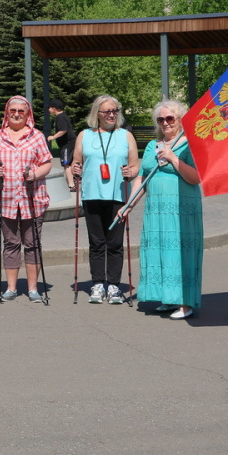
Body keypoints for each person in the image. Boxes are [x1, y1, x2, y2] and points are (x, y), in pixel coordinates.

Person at [122, 100, 202, 320]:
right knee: (160, 252)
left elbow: (195, 177)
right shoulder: (152, 146)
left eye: (170, 118)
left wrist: (173, 158)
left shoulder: (189, 144)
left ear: (180, 120)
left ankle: (185, 303)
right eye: (161, 119)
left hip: (181, 210)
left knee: (179, 254)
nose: (165, 123)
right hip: (156, 211)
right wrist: (129, 205)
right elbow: (142, 178)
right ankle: (169, 298)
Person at [0, 96, 53, 303]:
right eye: (12, 110)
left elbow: (47, 163)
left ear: (27, 114)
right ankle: (11, 288)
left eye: (21, 111)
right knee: (11, 243)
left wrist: (35, 174)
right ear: (7, 112)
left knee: (32, 244)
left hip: (33, 199)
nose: (16, 114)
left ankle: (33, 289)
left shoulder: (37, 136)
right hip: (6, 199)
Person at [71, 95, 139, 305]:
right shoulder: (84, 135)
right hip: (92, 195)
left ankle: (114, 286)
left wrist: (131, 172)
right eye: (107, 112)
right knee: (97, 243)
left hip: (118, 196)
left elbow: (136, 166)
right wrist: (75, 169)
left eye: (115, 111)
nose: (111, 115)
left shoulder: (125, 136)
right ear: (97, 114)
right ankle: (98, 283)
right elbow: (76, 163)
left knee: (115, 243)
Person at [47, 99, 76, 191]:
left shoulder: (60, 117)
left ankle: (71, 185)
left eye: (49, 108)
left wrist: (53, 137)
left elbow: (63, 130)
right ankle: (70, 182)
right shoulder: (62, 116)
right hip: (67, 143)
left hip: (67, 144)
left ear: (54, 108)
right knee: (68, 163)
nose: (48, 110)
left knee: (66, 164)